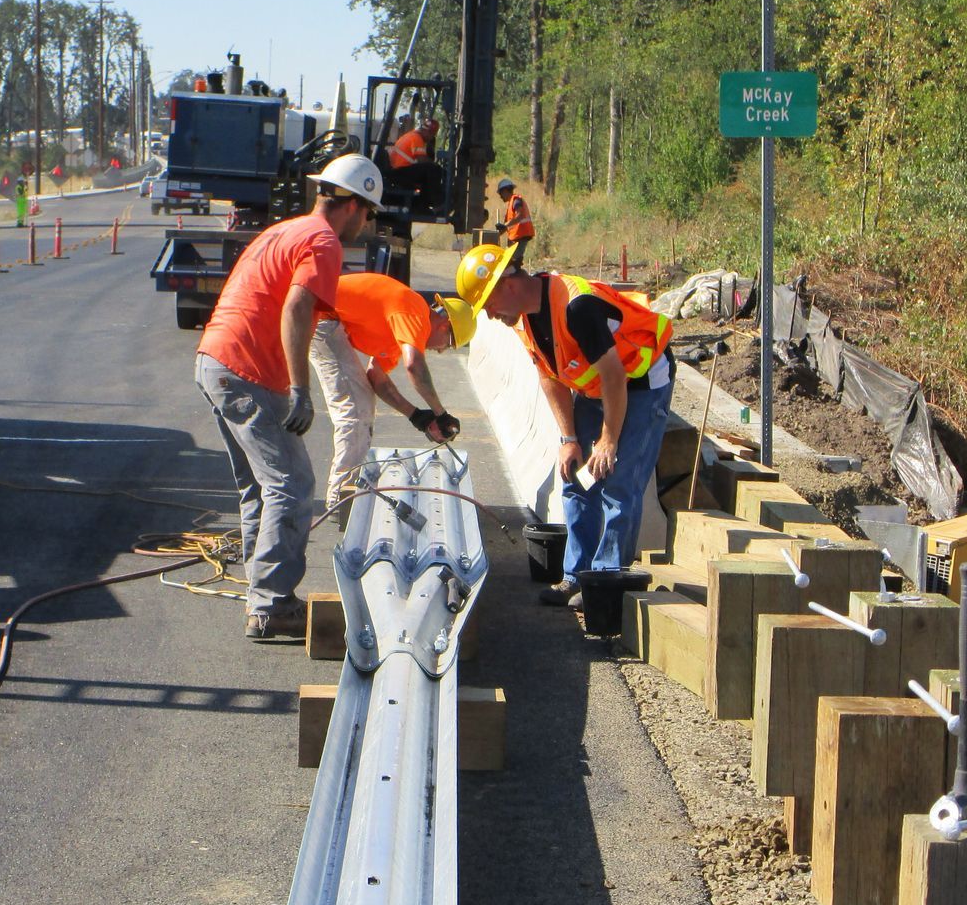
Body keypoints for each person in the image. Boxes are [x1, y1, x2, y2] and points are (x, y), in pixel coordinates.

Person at [194, 152, 385, 640]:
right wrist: (301, 389)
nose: (367, 224)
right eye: (371, 213)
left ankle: (264, 598)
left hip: (218, 359)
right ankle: (272, 603)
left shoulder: (288, 229)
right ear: (356, 205)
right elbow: (298, 306)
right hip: (246, 369)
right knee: (293, 484)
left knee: (262, 486)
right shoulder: (323, 242)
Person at [454, 242, 674, 606]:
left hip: (641, 381)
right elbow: (549, 376)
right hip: (595, 389)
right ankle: (576, 576)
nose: (490, 316)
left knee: (619, 483)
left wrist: (608, 441)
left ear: (507, 285)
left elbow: (615, 378)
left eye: (488, 305)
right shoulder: (524, 318)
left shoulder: (577, 306)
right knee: (575, 477)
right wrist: (569, 438)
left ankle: (604, 585)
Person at [309, 273, 475, 509]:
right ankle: (342, 500)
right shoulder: (414, 311)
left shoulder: (402, 331)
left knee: (362, 402)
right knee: (356, 411)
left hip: (326, 317)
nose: (441, 351)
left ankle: (346, 494)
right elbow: (414, 366)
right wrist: (440, 413)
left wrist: (417, 416)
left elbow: (377, 379)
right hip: (320, 315)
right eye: (449, 343)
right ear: (445, 324)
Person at [386, 116, 442, 211]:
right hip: (400, 172)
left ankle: (423, 203)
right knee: (432, 169)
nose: (431, 139)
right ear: (427, 132)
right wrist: (436, 166)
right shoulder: (416, 138)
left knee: (429, 170)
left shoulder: (412, 135)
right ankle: (437, 203)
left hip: (398, 171)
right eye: (432, 135)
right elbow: (422, 159)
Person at [495, 176, 534, 255]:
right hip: (517, 237)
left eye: (501, 193)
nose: (500, 196)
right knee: (512, 260)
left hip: (522, 235)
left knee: (514, 260)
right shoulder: (511, 204)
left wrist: (505, 225)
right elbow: (507, 226)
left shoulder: (516, 201)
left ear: (506, 191)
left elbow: (519, 216)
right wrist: (496, 234)